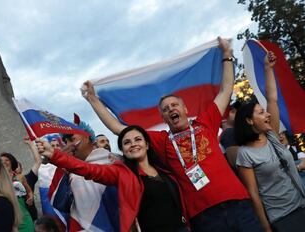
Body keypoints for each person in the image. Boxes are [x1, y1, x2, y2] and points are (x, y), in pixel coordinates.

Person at [81, 37, 262, 231]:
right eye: (166, 109)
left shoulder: (205, 122)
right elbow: (118, 128)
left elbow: (225, 90)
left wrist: (226, 56)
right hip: (203, 217)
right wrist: (93, 100)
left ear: (184, 109)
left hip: (238, 203)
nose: (171, 110)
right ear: (164, 117)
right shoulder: (162, 140)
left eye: (174, 105)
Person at [36, 125, 189, 232]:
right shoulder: (121, 171)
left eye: (138, 139)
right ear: (122, 150)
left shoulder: (164, 170)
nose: (133, 144)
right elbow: (89, 170)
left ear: (147, 144)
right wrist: (57, 156)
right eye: (127, 142)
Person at [235, 51, 305, 232]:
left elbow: (272, 98)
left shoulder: (272, 135)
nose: (267, 114)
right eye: (260, 113)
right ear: (249, 121)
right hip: (283, 218)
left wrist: (267, 68)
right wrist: (266, 228)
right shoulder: (245, 154)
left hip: (302, 204)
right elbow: (253, 194)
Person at [47, 119, 119, 232]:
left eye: (72, 139)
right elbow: (58, 202)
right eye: (65, 142)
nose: (69, 145)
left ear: (87, 136)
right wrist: (62, 166)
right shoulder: (67, 170)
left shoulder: (113, 161)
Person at [0, 152, 35, 232]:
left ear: (12, 162)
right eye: (1, 161)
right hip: (7, 219)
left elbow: (29, 191)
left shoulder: (20, 177)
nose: (4, 162)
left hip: (24, 217)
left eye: (7, 160)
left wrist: (31, 198)